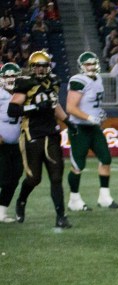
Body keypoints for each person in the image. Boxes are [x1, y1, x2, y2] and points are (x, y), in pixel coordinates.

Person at [6, 50, 71, 228]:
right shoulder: (25, 83)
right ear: (31, 67)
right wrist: (34, 107)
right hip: (32, 134)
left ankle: (61, 216)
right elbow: (12, 110)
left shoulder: (54, 81)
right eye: (37, 66)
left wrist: (68, 122)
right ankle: (21, 201)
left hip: (51, 133)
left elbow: (54, 105)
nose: (41, 69)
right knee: (34, 178)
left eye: (44, 66)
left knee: (56, 176)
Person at [65, 51, 118, 212]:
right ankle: (74, 199)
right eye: (87, 64)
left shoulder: (99, 79)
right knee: (78, 165)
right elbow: (70, 108)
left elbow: (93, 104)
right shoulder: (78, 80)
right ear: (81, 66)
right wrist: (90, 117)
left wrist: (99, 113)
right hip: (79, 127)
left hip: (93, 127)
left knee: (106, 158)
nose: (90, 67)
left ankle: (104, 197)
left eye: (93, 63)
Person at [0, 62, 22, 223]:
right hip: (1, 145)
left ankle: (1, 211)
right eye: (7, 76)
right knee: (3, 177)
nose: (11, 78)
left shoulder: (22, 94)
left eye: (14, 75)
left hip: (16, 145)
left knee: (15, 176)